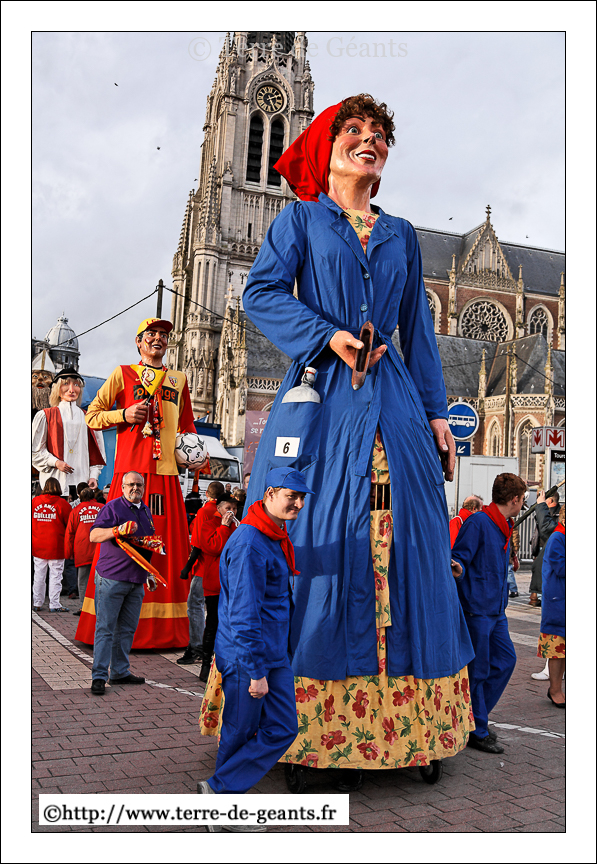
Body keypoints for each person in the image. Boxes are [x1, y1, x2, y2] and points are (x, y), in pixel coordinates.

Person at [229, 94, 475, 776]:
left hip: (395, 401)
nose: (371, 140)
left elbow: (416, 330)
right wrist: (327, 335)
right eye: (357, 130)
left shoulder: (401, 233)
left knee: (411, 542)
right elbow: (261, 293)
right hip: (320, 396)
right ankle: (302, 730)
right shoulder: (301, 220)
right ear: (328, 147)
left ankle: (409, 730)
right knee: (316, 532)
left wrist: (435, 413)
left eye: (381, 134)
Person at [197, 468, 313, 832]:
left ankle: (219, 792)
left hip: (272, 653)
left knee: (283, 727)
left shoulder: (272, 535)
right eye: (291, 496)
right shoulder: (251, 542)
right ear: (270, 494)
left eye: (301, 497)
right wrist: (255, 671)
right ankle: (224, 807)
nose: (298, 503)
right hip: (249, 656)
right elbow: (243, 614)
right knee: (240, 731)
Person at [75, 318, 196, 650]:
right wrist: (123, 415)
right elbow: (92, 415)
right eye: (151, 334)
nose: (158, 339)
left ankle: (164, 629)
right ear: (139, 342)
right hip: (129, 474)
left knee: (164, 548)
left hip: (166, 476)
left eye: (164, 335)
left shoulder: (179, 379)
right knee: (121, 543)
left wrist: (197, 456)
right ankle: (111, 626)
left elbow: (187, 427)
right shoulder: (123, 374)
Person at [451, 473, 526, 754]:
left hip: (495, 610)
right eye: (522, 499)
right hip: (478, 610)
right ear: (515, 499)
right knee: (478, 671)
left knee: (505, 661)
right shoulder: (479, 522)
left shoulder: (502, 523)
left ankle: (474, 718)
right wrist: (458, 567)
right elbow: (459, 557)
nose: (523, 503)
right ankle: (477, 728)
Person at [88, 472, 158, 695]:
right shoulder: (112, 507)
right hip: (111, 578)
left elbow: (146, 545)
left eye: (139, 484)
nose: (135, 488)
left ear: (144, 487)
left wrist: (150, 573)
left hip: (136, 579)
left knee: (126, 629)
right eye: (131, 484)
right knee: (105, 629)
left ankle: (119, 672)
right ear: (122, 487)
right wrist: (117, 530)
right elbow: (94, 535)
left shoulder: (145, 510)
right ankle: (99, 676)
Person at [31, 367, 106, 498]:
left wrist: (94, 475)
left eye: (76, 385)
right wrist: (55, 462)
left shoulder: (89, 417)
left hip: (82, 486)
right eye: (66, 384)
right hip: (54, 486)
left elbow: (98, 452)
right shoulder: (45, 415)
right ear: (57, 388)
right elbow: (35, 451)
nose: (71, 390)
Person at [178, 481, 225, 666]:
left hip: (204, 567)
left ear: (207, 494)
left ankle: (197, 647)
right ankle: (211, 647)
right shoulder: (226, 512)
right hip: (221, 569)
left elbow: (197, 544)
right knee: (214, 611)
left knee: (195, 606)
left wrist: (187, 567)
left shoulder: (204, 512)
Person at [195, 493, 238, 682]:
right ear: (219, 508)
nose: (232, 512)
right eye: (228, 508)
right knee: (212, 623)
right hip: (215, 583)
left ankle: (227, 663)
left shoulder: (239, 525)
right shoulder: (209, 524)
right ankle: (206, 665)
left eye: (234, 508)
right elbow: (214, 547)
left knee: (232, 624)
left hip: (233, 583)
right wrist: (224, 527)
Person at [537, 504, 565, 707]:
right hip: (558, 603)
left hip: (563, 602)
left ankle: (557, 689)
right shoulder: (558, 537)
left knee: (564, 650)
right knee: (557, 649)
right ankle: (555, 689)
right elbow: (561, 568)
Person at [32, 477, 72, 612]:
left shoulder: (34, 502)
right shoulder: (63, 504)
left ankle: (37, 602)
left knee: (39, 575)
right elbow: (69, 525)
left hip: (38, 544)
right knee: (56, 576)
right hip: (56, 545)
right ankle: (54, 604)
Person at [64, 487, 104, 616]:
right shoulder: (102, 508)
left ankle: (84, 607)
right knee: (101, 580)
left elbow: (70, 533)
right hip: (100, 548)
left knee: (83, 581)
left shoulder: (76, 510)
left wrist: (68, 553)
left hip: (82, 549)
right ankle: (100, 607)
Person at [529, 489, 560, 607]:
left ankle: (539, 597)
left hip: (548, 546)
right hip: (542, 545)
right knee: (538, 569)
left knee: (545, 572)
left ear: (550, 500)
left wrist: (541, 505)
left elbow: (547, 528)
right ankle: (535, 596)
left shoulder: (558, 512)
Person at [507, 526, 520, 598]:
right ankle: (513, 590)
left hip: (508, 546)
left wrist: (515, 548)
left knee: (508, 569)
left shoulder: (510, 521)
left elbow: (515, 534)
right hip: (506, 545)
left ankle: (513, 590)